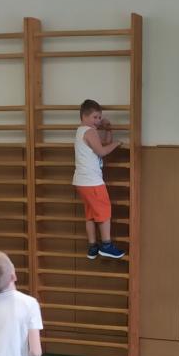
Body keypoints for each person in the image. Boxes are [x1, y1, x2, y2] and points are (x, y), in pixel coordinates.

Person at [73, 99, 125, 260]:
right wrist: (117, 143)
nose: (98, 121)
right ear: (84, 116)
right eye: (95, 117)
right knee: (104, 212)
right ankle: (107, 245)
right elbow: (102, 151)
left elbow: (103, 144)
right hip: (92, 181)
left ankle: (93, 246)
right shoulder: (90, 132)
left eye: (99, 117)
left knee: (90, 214)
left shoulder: (81, 131)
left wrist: (108, 129)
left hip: (82, 181)